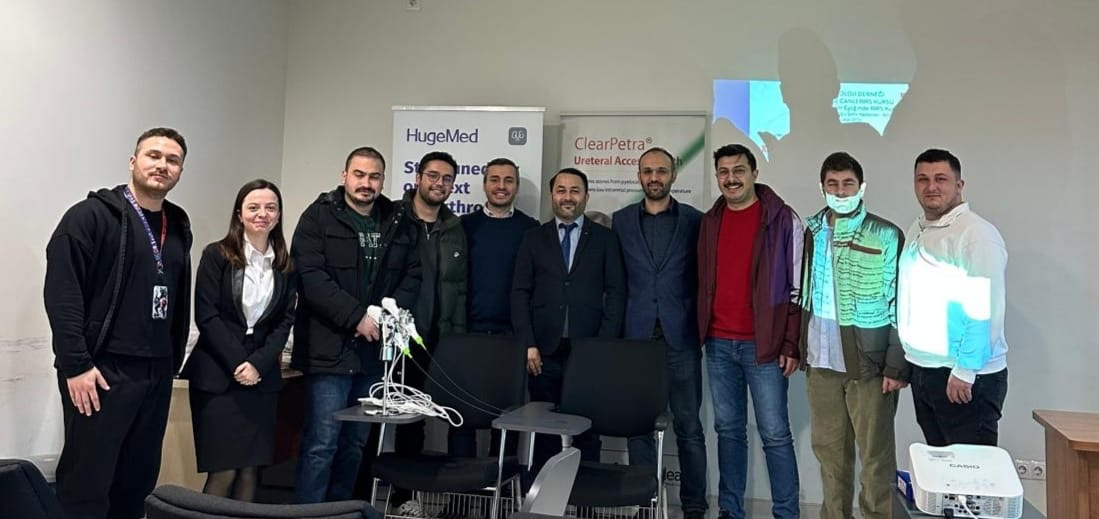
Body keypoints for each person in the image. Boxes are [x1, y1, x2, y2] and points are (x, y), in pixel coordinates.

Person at [44, 127, 193, 519]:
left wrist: (172, 362)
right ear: (133, 161)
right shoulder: (89, 217)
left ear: (180, 171)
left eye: (173, 160)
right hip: (101, 371)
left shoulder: (178, 225)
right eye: (154, 155)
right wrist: (76, 364)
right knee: (88, 483)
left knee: (137, 482)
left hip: (156, 371)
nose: (162, 165)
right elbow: (62, 292)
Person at [291, 146, 421, 503]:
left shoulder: (398, 220)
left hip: (372, 354)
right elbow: (311, 277)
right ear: (344, 176)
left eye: (374, 176)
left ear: (383, 180)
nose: (366, 183)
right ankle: (308, 513)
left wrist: (383, 316)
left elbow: (413, 275)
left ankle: (341, 511)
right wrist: (356, 317)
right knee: (322, 443)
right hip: (328, 351)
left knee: (355, 443)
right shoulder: (318, 216)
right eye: (359, 175)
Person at [697, 144, 803, 519]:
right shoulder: (710, 221)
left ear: (754, 173)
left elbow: (797, 287)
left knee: (775, 433)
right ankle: (730, 509)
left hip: (765, 347)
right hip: (718, 344)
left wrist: (791, 342)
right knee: (728, 430)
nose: (731, 178)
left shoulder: (782, 218)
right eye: (723, 172)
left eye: (738, 170)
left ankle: (786, 513)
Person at [799, 152, 907, 519]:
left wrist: (895, 365)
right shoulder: (811, 231)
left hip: (868, 365)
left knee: (876, 457)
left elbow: (899, 302)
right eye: (833, 184)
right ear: (822, 188)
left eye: (848, 183)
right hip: (821, 361)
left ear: (861, 187)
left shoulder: (886, 234)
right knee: (829, 454)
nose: (840, 191)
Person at [179, 179, 297, 501]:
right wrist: (239, 362)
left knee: (250, 470)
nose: (262, 214)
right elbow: (206, 315)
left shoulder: (285, 265)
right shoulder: (216, 255)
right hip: (219, 377)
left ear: (278, 215)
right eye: (253, 207)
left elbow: (285, 321)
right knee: (224, 471)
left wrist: (257, 364)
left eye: (270, 208)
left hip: (261, 381)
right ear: (239, 213)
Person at [611, 147, 707, 519]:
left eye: (661, 171)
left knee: (689, 427)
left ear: (673, 175)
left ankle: (694, 505)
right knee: (639, 429)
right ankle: (645, 502)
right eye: (648, 171)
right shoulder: (621, 221)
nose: (654, 177)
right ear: (639, 176)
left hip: (680, 338)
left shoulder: (694, 221)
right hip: (636, 341)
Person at [512, 167, 626, 468]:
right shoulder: (533, 238)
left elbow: (616, 294)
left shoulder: (605, 239)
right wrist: (528, 344)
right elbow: (520, 293)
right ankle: (544, 492)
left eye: (575, 191)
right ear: (552, 195)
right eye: (561, 190)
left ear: (586, 197)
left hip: (587, 351)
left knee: (587, 429)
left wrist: (602, 347)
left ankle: (585, 490)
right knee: (545, 430)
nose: (568, 197)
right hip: (542, 352)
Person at [898, 148, 1008, 446]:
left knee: (971, 468)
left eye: (940, 179)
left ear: (959, 185)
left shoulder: (976, 235)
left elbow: (985, 308)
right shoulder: (918, 228)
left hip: (962, 375)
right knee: (940, 466)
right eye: (922, 179)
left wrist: (965, 370)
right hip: (925, 369)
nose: (931, 187)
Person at [390, 151, 468, 515]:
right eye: (433, 175)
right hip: (399, 340)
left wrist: (458, 338)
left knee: (421, 423)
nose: (440, 183)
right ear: (418, 177)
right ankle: (390, 499)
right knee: (391, 421)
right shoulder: (394, 219)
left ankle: (410, 499)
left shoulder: (455, 229)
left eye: (447, 178)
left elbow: (461, 288)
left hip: (441, 340)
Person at [453, 157, 536, 458]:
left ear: (516, 186)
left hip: (511, 338)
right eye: (495, 179)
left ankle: (499, 485)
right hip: (469, 334)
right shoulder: (464, 226)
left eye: (508, 180)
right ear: (484, 184)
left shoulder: (531, 229)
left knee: (507, 419)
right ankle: (460, 483)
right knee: (461, 417)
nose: (501, 186)